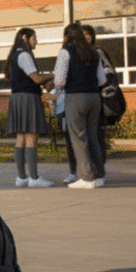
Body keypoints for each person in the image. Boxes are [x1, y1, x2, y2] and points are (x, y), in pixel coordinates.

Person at [54, 22, 107, 189]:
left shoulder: (66, 52)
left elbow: (59, 80)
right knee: (93, 137)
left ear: (67, 36)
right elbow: (102, 80)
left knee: (79, 138)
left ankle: (86, 177)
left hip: (75, 98)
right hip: (94, 97)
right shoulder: (94, 52)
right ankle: (99, 175)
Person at [4, 28, 55, 188]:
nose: (36, 42)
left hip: (17, 98)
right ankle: (34, 178)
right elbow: (36, 78)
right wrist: (54, 75)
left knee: (21, 138)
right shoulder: (24, 55)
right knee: (32, 136)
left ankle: (22, 177)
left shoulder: (13, 55)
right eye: (34, 38)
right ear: (25, 38)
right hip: (28, 98)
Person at [83, 25, 114, 170]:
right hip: (83, 99)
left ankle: (99, 167)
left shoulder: (99, 52)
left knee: (97, 134)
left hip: (98, 98)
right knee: (86, 135)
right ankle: (89, 168)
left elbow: (109, 74)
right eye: (84, 34)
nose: (87, 37)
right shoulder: (78, 54)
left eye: (89, 34)